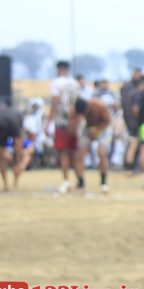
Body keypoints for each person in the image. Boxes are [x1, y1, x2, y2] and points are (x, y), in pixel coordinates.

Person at [48, 60, 82, 193]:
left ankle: (66, 181)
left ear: (58, 69)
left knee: (63, 152)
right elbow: (80, 103)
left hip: (62, 122)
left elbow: (55, 102)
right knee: (75, 152)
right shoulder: (75, 83)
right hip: (74, 122)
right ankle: (80, 181)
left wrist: (49, 122)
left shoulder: (57, 83)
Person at [0, 103, 31, 191]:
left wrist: (18, 163)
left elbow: (18, 143)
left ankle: (15, 184)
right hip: (1, 127)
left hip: (13, 125)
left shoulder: (14, 121)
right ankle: (5, 184)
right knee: (0, 154)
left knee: (17, 160)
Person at [73, 96, 112, 193]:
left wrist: (97, 131)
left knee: (102, 152)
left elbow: (108, 121)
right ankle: (81, 183)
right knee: (80, 154)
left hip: (103, 127)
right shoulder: (77, 110)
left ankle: (103, 182)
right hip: (88, 128)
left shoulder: (100, 106)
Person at [121, 68, 144, 174]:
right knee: (133, 143)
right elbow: (129, 106)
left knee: (137, 144)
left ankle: (134, 165)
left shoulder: (138, 89)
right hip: (132, 120)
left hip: (136, 121)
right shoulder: (128, 88)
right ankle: (129, 166)